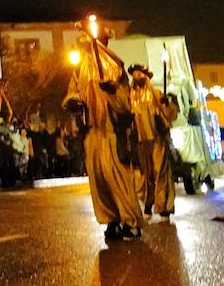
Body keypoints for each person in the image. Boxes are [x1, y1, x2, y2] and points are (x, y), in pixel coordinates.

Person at [64, 22, 145, 242]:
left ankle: (132, 221)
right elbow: (73, 92)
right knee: (99, 179)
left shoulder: (115, 66)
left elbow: (126, 104)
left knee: (117, 177)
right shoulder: (80, 69)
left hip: (111, 131)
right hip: (91, 132)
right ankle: (111, 220)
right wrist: (74, 102)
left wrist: (112, 92)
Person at [127, 63, 176, 218]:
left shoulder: (156, 94)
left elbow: (170, 115)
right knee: (145, 175)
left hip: (157, 139)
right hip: (140, 141)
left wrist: (167, 104)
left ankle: (163, 207)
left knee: (160, 172)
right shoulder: (129, 96)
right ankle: (147, 206)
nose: (137, 77)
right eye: (134, 75)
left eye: (140, 74)